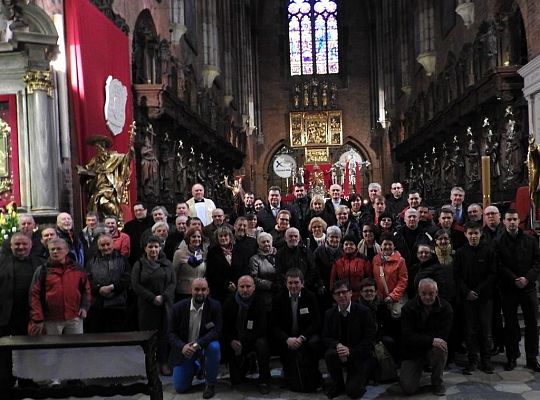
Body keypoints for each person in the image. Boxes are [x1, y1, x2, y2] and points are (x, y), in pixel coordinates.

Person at [495, 209, 540, 372]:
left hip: (528, 288)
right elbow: (499, 265)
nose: (512, 222)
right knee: (511, 325)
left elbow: (537, 262)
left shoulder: (530, 239)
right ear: (504, 221)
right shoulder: (498, 242)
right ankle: (512, 357)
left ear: (518, 220)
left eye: (515, 219)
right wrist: (514, 278)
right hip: (509, 288)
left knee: (532, 324)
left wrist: (527, 278)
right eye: (509, 219)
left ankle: (531, 358)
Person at [454, 222, 496, 374]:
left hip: (485, 298)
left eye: (476, 233)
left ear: (480, 234)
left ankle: (486, 360)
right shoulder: (460, 252)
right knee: (470, 330)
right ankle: (472, 360)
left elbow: (492, 274)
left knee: (486, 331)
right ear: (465, 234)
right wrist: (467, 292)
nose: (473, 236)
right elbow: (457, 276)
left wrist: (477, 291)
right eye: (470, 233)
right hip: (467, 298)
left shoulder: (489, 251)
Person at [168, 278, 221, 399]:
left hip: (203, 346)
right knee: (180, 388)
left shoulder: (215, 306)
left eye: (203, 289)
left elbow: (217, 330)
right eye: (196, 289)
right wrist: (182, 346)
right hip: (185, 350)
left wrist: (197, 343)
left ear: (208, 291)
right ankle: (197, 367)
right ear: (190, 290)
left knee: (214, 347)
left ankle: (210, 384)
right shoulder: (177, 308)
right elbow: (171, 333)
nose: (200, 292)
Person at [322, 279, 376, 399]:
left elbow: (369, 339)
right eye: (337, 293)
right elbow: (325, 337)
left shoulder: (364, 312)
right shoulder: (329, 314)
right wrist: (338, 345)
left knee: (353, 392)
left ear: (351, 293)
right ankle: (338, 384)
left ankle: (364, 375)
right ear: (333, 297)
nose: (341, 295)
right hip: (340, 352)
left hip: (359, 354)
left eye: (344, 292)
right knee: (330, 354)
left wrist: (350, 351)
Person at [0, 233, 41, 389]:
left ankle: (27, 380)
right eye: (17, 244)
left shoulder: (39, 263)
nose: (21, 247)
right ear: (11, 246)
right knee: (6, 351)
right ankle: (5, 381)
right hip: (6, 315)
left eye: (24, 244)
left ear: (30, 245)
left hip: (31, 315)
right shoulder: (2, 262)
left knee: (29, 350)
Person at [400, 278, 453, 396]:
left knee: (441, 346)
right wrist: (430, 340)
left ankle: (437, 382)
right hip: (413, 352)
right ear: (419, 292)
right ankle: (419, 369)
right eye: (424, 294)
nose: (427, 297)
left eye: (431, 293)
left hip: (433, 349)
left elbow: (443, 336)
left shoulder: (446, 308)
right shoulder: (408, 308)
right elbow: (407, 336)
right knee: (408, 389)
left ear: (437, 293)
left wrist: (429, 341)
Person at [132, 235, 176, 375]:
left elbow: (173, 283)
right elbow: (136, 285)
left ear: (160, 247)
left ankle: (163, 362)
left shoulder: (167, 263)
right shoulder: (139, 264)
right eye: (150, 246)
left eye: (156, 246)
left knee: (164, 334)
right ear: (145, 248)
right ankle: (152, 364)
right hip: (147, 306)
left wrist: (163, 297)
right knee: (150, 336)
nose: (153, 249)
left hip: (165, 304)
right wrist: (152, 298)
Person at [272, 268, 322, 392]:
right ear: (286, 284)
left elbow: (316, 322)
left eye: (296, 282)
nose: (293, 286)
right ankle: (289, 374)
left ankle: (313, 373)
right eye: (290, 283)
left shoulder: (310, 297)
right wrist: (287, 339)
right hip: (287, 337)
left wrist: (302, 338)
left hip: (305, 336)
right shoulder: (278, 298)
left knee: (314, 343)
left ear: (302, 283)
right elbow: (274, 325)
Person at [30, 238, 92, 335]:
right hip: (51, 319)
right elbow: (34, 295)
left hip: (74, 318)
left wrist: (84, 307)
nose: (55, 251)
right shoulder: (42, 271)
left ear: (66, 251)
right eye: (52, 249)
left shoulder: (77, 269)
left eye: (59, 249)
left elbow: (86, 289)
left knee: (75, 348)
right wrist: (38, 318)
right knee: (53, 349)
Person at [222, 275, 270, 394]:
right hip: (234, 342)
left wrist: (244, 341)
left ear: (254, 288)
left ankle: (264, 380)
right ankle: (247, 362)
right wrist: (231, 340)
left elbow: (262, 328)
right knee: (236, 380)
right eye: (242, 286)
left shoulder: (259, 302)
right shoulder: (229, 302)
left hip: (253, 339)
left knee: (262, 344)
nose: (245, 290)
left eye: (248, 286)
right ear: (237, 287)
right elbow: (223, 327)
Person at [77, 132, 134, 220]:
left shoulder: (114, 157)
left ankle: (117, 218)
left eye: (100, 146)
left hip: (110, 188)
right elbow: (88, 170)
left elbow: (127, 159)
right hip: (97, 188)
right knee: (95, 203)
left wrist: (131, 149)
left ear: (104, 147)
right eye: (96, 147)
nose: (98, 149)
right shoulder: (94, 160)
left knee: (103, 201)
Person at [85, 233, 131, 333]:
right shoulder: (91, 262)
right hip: (98, 306)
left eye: (108, 244)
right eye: (102, 245)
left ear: (113, 244)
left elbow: (127, 278)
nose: (106, 247)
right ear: (98, 246)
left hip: (118, 305)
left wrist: (113, 287)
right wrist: (99, 289)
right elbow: (87, 280)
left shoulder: (122, 260)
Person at [330, 233, 371, 300]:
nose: (348, 246)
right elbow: (333, 280)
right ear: (343, 246)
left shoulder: (363, 259)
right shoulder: (337, 261)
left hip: (360, 297)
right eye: (346, 244)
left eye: (351, 244)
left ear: (356, 246)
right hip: (342, 296)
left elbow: (369, 278)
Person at [276, 227, 318, 293]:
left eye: (295, 236)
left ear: (299, 238)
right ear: (285, 238)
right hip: (286, 290)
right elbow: (279, 273)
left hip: (306, 288)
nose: (293, 238)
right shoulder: (279, 254)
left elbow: (312, 270)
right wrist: (290, 285)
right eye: (290, 236)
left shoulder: (306, 252)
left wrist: (303, 284)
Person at [173, 227, 208, 301]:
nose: (196, 239)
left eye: (199, 237)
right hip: (184, 291)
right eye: (194, 236)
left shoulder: (203, 253)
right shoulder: (179, 253)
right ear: (189, 238)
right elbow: (174, 273)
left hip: (200, 291)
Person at [205, 226, 238, 304]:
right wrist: (227, 285)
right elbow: (211, 273)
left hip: (238, 289)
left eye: (225, 236)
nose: (223, 238)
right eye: (221, 236)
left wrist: (236, 284)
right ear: (217, 238)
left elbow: (243, 269)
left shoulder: (238, 249)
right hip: (219, 291)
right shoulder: (212, 252)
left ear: (230, 237)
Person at [313, 226, 343, 314]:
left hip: (338, 287)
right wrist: (320, 284)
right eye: (332, 237)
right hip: (323, 287)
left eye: (337, 237)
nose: (334, 239)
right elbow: (315, 268)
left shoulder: (343, 250)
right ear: (327, 237)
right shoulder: (319, 251)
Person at [249, 232, 277, 312]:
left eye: (268, 241)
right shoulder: (255, 259)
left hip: (279, 292)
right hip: (264, 296)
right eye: (263, 242)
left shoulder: (278, 255)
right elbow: (254, 279)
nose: (266, 244)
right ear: (259, 244)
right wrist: (270, 285)